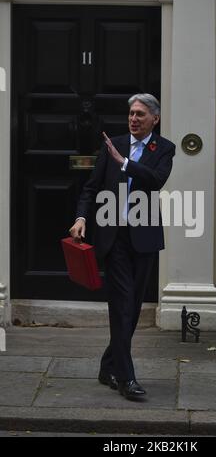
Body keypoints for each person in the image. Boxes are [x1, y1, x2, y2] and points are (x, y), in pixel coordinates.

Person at [69, 93, 175, 400]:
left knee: (132, 307)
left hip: (143, 238)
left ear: (154, 118)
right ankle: (126, 378)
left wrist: (125, 163)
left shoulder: (163, 148)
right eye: (131, 113)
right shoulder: (112, 144)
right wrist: (80, 218)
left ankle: (107, 365)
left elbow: (156, 180)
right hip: (112, 237)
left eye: (141, 114)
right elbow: (91, 188)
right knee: (121, 305)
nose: (134, 119)